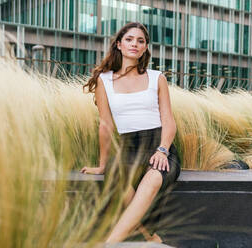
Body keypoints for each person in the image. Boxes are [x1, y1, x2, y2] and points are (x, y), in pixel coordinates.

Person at [80, 22, 181, 243]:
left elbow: (168, 120)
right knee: (116, 180)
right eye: (129, 39)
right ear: (119, 44)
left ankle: (109, 242)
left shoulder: (157, 78)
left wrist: (163, 150)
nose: (134, 44)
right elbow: (105, 125)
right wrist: (103, 164)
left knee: (154, 177)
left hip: (158, 143)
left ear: (145, 48)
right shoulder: (104, 80)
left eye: (140, 41)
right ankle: (150, 237)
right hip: (128, 148)